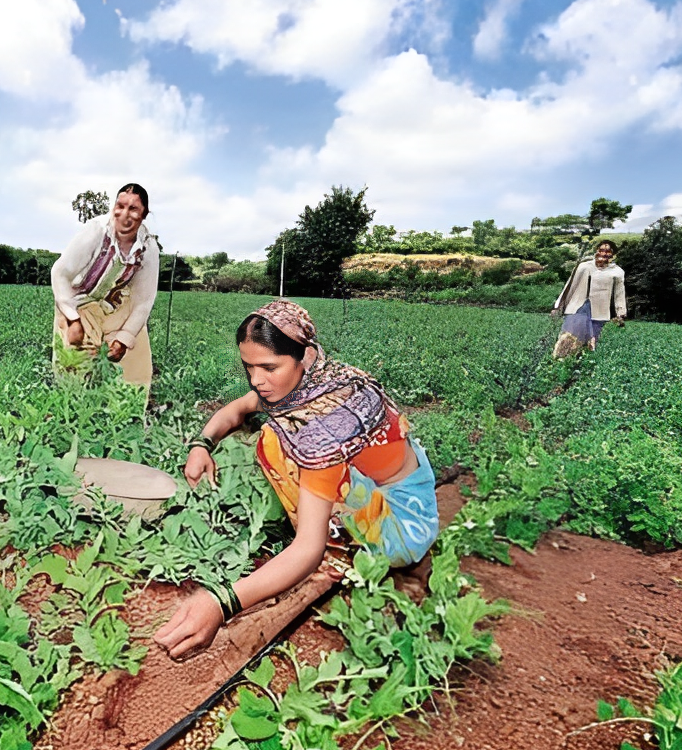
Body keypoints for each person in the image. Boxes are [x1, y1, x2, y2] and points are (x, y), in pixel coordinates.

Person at [154, 300, 439, 660]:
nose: (257, 380)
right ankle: (340, 533)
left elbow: (307, 549)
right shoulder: (312, 381)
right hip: (388, 488)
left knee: (277, 443)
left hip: (402, 523)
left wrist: (222, 603)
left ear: (304, 357)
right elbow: (239, 409)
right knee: (277, 437)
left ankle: (351, 556)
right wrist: (201, 445)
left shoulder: (327, 423)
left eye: (269, 367)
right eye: (249, 367)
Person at [50, 183, 160, 388]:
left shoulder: (148, 248)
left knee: (136, 359)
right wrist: (72, 319)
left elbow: (143, 301)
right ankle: (72, 405)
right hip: (79, 301)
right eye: (120, 206)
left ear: (144, 215)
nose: (124, 214)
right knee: (74, 362)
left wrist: (124, 339)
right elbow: (60, 273)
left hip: (114, 304)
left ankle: (129, 410)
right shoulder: (97, 231)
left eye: (133, 209)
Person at [551, 239, 627, 357]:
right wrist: (558, 306)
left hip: (599, 312)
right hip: (578, 308)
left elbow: (619, 294)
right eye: (601, 250)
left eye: (608, 251)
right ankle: (559, 361)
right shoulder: (584, 266)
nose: (604, 254)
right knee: (569, 337)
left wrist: (620, 313)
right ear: (597, 251)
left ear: (613, 254)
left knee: (590, 343)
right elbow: (570, 285)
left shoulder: (617, 272)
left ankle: (580, 367)